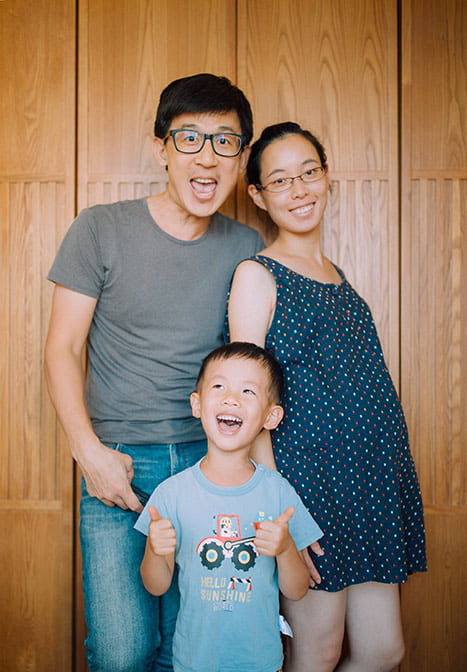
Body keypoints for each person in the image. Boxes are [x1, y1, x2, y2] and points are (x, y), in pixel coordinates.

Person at [44, 73, 264, 672]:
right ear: (160, 147)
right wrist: (88, 452)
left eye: (225, 141)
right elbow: (61, 348)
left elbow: (256, 364)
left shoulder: (246, 244)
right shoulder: (99, 227)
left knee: (193, 649)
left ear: (242, 155)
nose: (207, 156)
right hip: (117, 465)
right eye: (189, 138)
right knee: (121, 651)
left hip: (210, 465)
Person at [227, 122, 427, 672]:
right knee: (318, 650)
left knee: (385, 650)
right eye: (281, 180)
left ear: (327, 176)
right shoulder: (257, 274)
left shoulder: (336, 274)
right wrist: (277, 506)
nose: (299, 190)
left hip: (370, 481)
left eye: (309, 173)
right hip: (307, 487)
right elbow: (246, 395)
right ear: (259, 197)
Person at [135, 341, 323, 672]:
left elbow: (296, 590)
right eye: (219, 386)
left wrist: (284, 547)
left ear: (271, 416)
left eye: (248, 391)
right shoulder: (171, 495)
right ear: (196, 403)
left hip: (261, 662)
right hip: (194, 662)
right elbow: (156, 585)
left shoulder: (278, 492)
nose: (231, 398)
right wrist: (154, 549)